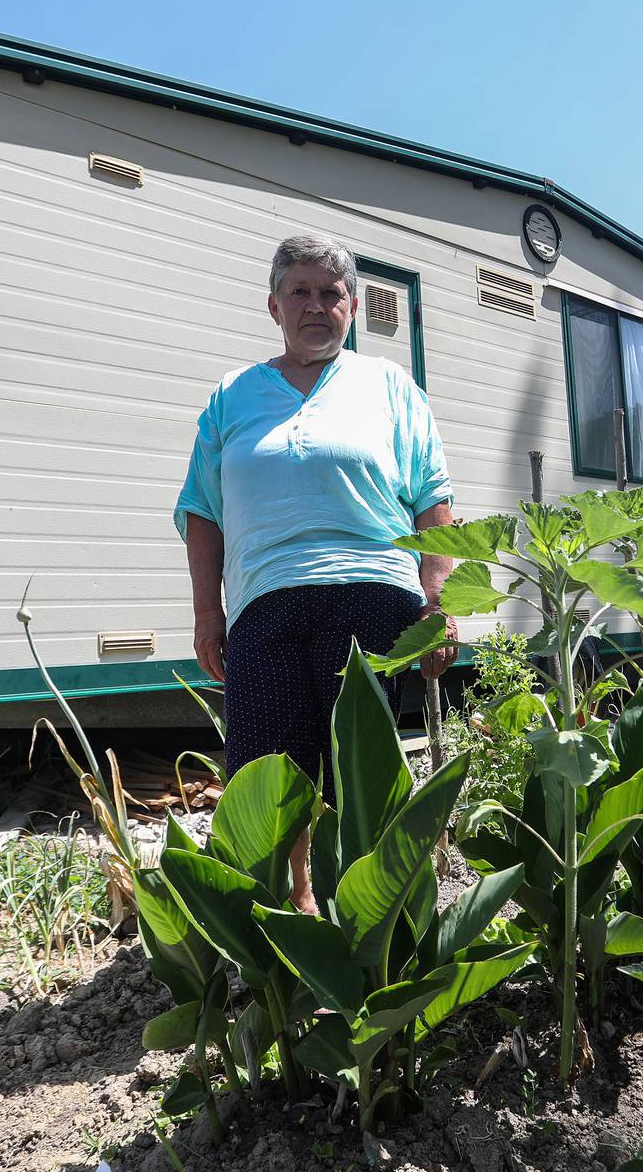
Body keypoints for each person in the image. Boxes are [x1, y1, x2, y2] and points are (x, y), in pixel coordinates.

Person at [174, 233, 458, 911]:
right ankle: (300, 906)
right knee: (270, 765)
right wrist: (208, 613)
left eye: (331, 293)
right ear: (274, 306)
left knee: (355, 765)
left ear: (352, 308)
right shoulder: (232, 396)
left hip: (370, 591)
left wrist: (439, 599)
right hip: (263, 600)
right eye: (299, 291)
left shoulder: (389, 385)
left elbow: (432, 499)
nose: (315, 305)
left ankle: (364, 906)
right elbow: (201, 510)